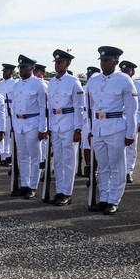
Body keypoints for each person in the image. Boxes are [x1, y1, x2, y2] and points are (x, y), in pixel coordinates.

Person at [85, 46, 138, 215]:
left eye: (108, 60)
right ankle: (104, 198)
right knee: (103, 166)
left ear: (116, 61)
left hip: (116, 127)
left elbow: (132, 109)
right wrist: (91, 129)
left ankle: (114, 200)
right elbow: (90, 108)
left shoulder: (124, 79)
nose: (104, 63)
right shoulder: (93, 80)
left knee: (117, 166)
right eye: (102, 60)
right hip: (99, 128)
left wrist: (131, 134)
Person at [45, 50, 85, 206]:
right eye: (56, 62)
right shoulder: (52, 82)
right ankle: (59, 191)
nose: (57, 65)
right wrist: (49, 126)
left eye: (61, 62)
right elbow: (49, 106)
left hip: (69, 125)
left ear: (68, 64)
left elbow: (79, 107)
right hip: (55, 125)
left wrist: (78, 129)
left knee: (69, 161)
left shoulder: (74, 82)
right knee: (58, 161)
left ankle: (67, 193)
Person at [10, 55, 47, 199]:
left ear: (32, 68)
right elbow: (13, 107)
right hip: (19, 123)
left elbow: (43, 107)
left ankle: (33, 186)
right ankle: (24, 185)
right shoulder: (17, 84)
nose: (21, 69)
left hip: (33, 123)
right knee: (23, 156)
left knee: (35, 156)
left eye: (24, 67)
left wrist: (42, 128)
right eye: (20, 67)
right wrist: (14, 124)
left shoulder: (39, 84)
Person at [119, 60, 140, 183]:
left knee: (131, 147)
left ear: (133, 72)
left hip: (133, 118)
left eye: (128, 71)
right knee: (118, 147)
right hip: (119, 119)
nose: (125, 73)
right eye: (123, 71)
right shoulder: (116, 83)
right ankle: (119, 171)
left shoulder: (139, 85)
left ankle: (128, 172)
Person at [81, 66, 100, 177]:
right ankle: (88, 166)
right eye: (88, 75)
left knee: (96, 145)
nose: (89, 77)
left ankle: (96, 167)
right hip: (85, 119)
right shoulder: (83, 88)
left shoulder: (99, 88)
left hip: (96, 118)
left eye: (91, 75)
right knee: (86, 145)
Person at [0, 63, 17, 165]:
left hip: (11, 112)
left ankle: (10, 156)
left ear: (11, 72)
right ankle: (3, 156)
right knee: (2, 133)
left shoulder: (15, 83)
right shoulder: (0, 84)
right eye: (3, 71)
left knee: (10, 135)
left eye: (5, 71)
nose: (3, 73)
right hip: (2, 112)